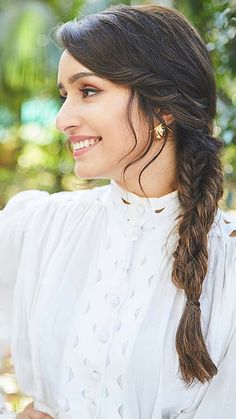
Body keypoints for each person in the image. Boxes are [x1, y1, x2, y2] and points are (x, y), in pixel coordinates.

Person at [0, 3, 236, 419]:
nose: (62, 119)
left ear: (164, 106)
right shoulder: (37, 227)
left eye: (87, 91)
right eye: (63, 96)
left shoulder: (228, 265)